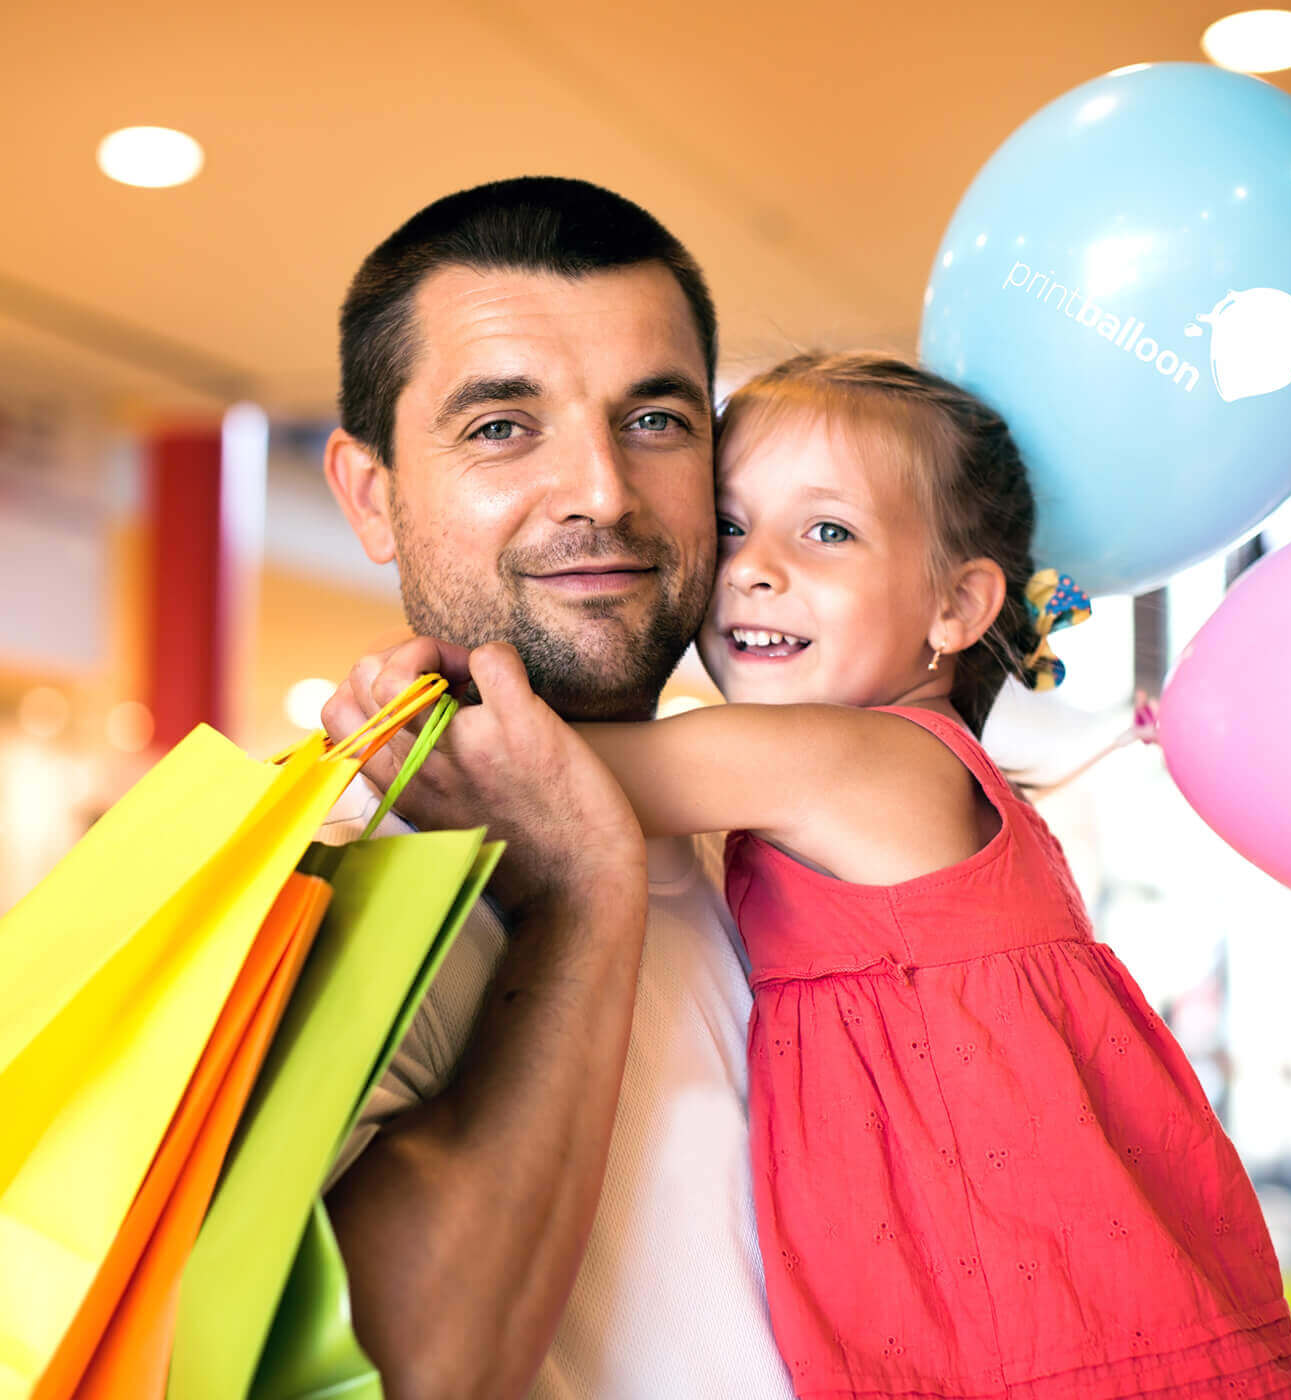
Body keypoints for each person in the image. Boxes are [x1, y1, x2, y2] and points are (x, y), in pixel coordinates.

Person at [554, 352, 1291, 1396]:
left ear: (955, 605)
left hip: (1027, 1333)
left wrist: (434, 683)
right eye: (728, 524)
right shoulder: (918, 765)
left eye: (827, 530)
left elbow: (540, 779)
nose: (750, 566)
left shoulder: (853, 759)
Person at [315, 177, 795, 1396]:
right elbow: (415, 1372)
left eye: (656, 420)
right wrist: (580, 886)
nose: (603, 491)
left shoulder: (791, 831)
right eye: (499, 427)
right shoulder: (319, 894)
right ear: (374, 494)